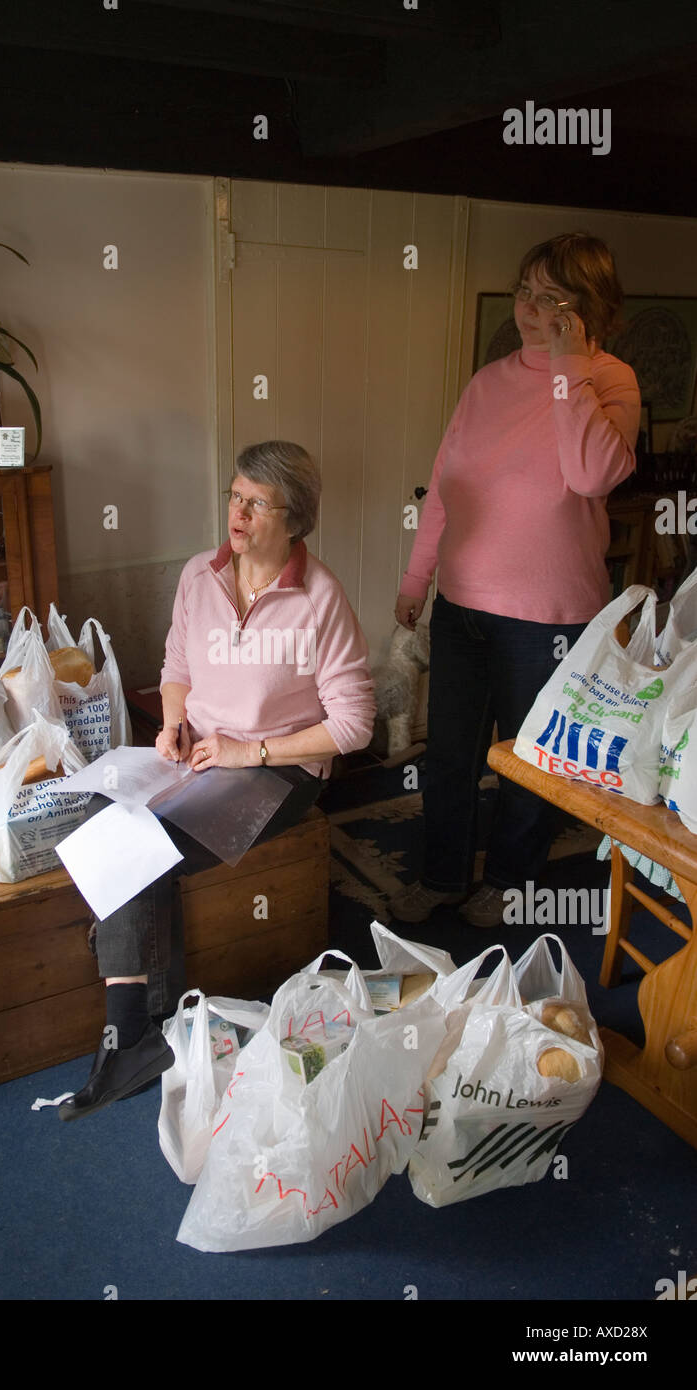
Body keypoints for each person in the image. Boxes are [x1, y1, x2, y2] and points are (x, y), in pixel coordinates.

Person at [60, 440, 375, 1120]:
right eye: (235, 496)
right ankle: (147, 1028)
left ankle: (131, 1037)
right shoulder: (200, 576)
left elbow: (354, 726)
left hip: (281, 771)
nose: (238, 513)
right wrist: (173, 723)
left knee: (141, 845)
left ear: (295, 520)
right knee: (95, 808)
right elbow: (177, 664)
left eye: (257, 504)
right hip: (199, 753)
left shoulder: (320, 599)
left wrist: (252, 752)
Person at [390, 232, 641, 928]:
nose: (530, 308)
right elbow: (448, 486)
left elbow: (592, 473)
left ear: (588, 307)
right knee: (449, 756)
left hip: (551, 619)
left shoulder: (610, 380)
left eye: (551, 298)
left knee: (529, 762)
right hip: (462, 605)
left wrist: (567, 363)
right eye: (525, 292)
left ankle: (509, 880)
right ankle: (441, 875)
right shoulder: (486, 382)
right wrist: (418, 578)